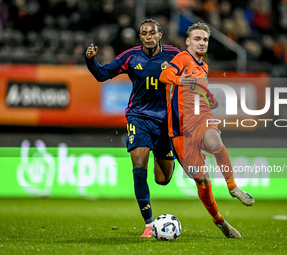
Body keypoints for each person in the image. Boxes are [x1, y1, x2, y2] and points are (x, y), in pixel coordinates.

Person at [85, 19, 180, 238]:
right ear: (141, 37)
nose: (148, 36)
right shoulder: (130, 56)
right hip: (139, 118)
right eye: (144, 33)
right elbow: (102, 74)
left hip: (166, 123)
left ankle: (163, 154)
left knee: (163, 179)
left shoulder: (174, 55)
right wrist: (90, 61)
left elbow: (194, 71)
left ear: (160, 35)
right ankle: (148, 224)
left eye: (152, 32)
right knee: (139, 165)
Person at [159, 22, 254, 238]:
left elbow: (198, 89)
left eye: (205, 40)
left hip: (201, 119)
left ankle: (233, 187)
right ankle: (219, 221)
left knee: (215, 141)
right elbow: (164, 76)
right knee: (202, 180)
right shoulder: (183, 58)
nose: (201, 43)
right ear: (188, 41)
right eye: (197, 39)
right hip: (181, 129)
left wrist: (208, 97)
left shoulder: (204, 66)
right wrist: (178, 79)